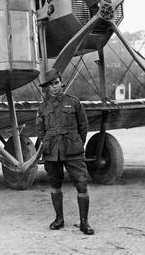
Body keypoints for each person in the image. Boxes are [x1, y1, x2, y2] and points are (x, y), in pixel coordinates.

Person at [36, 68, 94, 235]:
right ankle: (59, 219)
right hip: (52, 151)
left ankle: (84, 222)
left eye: (56, 83)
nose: (54, 87)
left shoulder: (73, 102)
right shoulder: (42, 108)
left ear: (61, 82)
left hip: (73, 151)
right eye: (50, 85)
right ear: (46, 88)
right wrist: (48, 142)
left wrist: (77, 143)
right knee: (55, 185)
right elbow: (40, 130)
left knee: (81, 184)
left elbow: (83, 126)